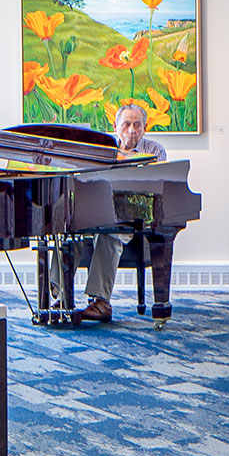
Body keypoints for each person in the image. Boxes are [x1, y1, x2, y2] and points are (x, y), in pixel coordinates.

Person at [76, 102, 168, 323]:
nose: (131, 130)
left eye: (137, 125)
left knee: (109, 234)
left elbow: (159, 189)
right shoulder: (101, 150)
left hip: (132, 219)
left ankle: (100, 302)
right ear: (115, 125)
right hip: (96, 214)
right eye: (126, 124)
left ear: (145, 127)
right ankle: (59, 297)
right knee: (69, 233)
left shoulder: (155, 151)